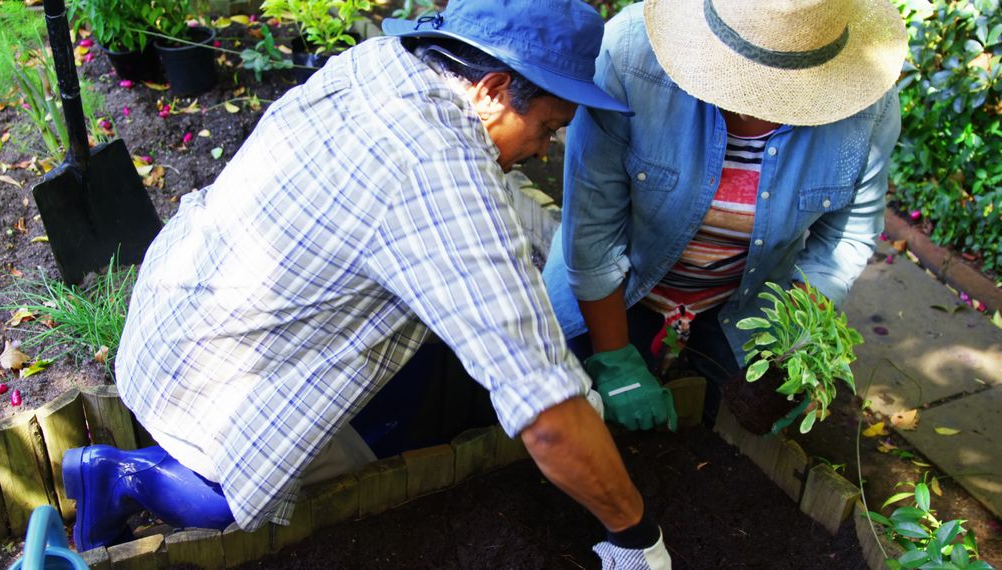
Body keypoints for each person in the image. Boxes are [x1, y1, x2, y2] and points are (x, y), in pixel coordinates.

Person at [60, 0, 671, 567]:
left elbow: (492, 200)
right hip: (211, 374)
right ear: (492, 91)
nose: (544, 149)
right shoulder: (435, 175)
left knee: (408, 384)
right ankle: (123, 477)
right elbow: (546, 414)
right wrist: (637, 536)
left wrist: (556, 239)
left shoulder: (387, 63)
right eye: (546, 127)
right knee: (231, 497)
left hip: (176, 304)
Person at [542, 0, 907, 434]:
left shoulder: (867, 108)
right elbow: (594, 233)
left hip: (746, 299)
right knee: (580, 418)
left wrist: (789, 351)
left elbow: (841, 244)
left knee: (732, 426)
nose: (757, 103)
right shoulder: (631, 58)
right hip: (618, 288)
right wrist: (616, 360)